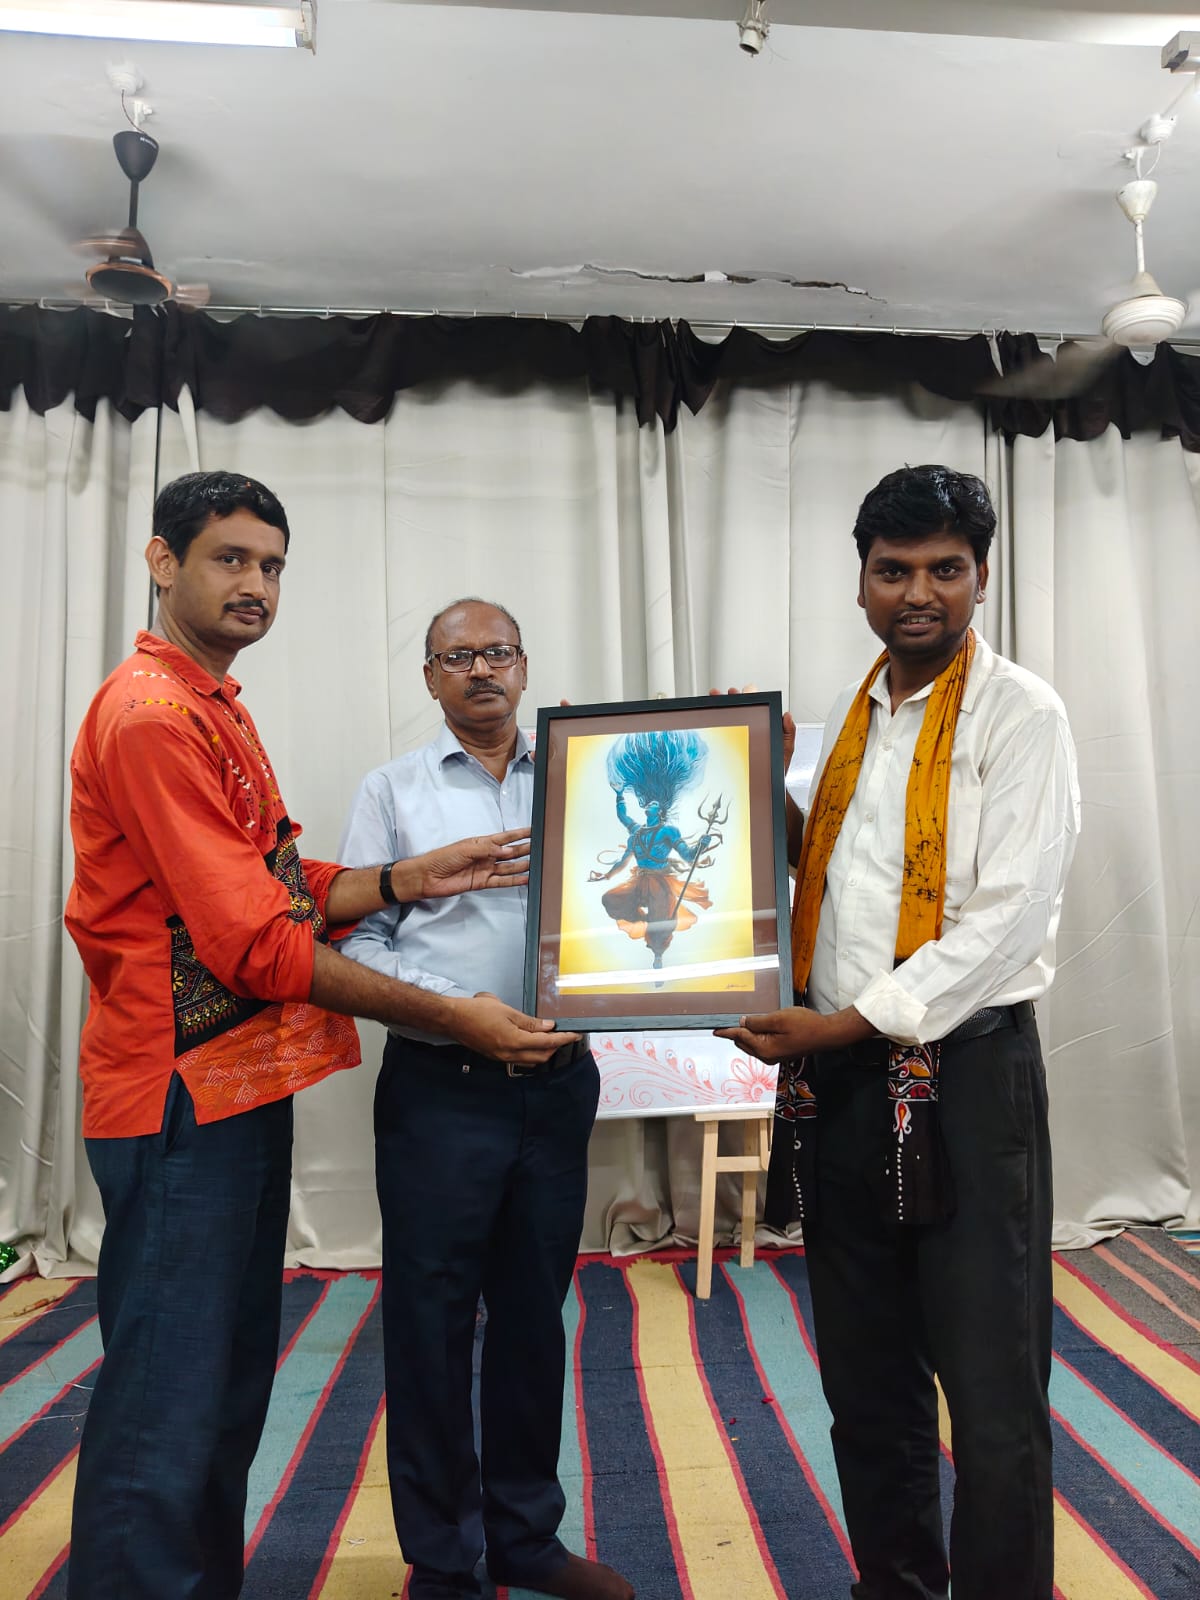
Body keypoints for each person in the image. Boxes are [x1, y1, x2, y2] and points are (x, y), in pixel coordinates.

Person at [64, 474, 573, 1600]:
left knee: (225, 1382)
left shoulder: (210, 705)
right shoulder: (152, 719)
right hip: (177, 1091)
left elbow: (275, 882)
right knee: (167, 1398)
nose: (255, 583)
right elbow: (257, 942)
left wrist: (401, 878)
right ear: (162, 562)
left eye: (272, 565)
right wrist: (454, 1016)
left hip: (238, 1085)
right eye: (229, 558)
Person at [718, 464, 1080, 1600]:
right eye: (893, 570)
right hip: (843, 1089)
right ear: (862, 581)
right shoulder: (854, 714)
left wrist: (835, 1025)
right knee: (867, 1383)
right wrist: (749, 770)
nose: (917, 592)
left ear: (982, 577)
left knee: (992, 1389)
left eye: (943, 570)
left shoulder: (1022, 715)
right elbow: (834, 873)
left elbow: (1006, 919)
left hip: (964, 1081)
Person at [337, 599, 634, 1600]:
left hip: (557, 1088)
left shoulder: (585, 780)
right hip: (441, 1090)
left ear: (524, 665)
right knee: (429, 1324)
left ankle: (524, 1539)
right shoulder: (393, 791)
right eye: (457, 656)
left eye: (497, 652)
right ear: (429, 677)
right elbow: (358, 941)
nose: (480, 670)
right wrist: (457, 1014)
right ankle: (442, 1558)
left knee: (533, 1317)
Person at [587, 729, 722, 970]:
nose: (649, 803)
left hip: (660, 883)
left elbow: (688, 856)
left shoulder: (668, 832)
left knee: (661, 926)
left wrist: (700, 846)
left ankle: (657, 955)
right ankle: (644, 920)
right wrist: (619, 794)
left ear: (659, 811)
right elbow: (622, 829)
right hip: (639, 881)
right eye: (648, 802)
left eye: (654, 804)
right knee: (610, 900)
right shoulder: (636, 833)